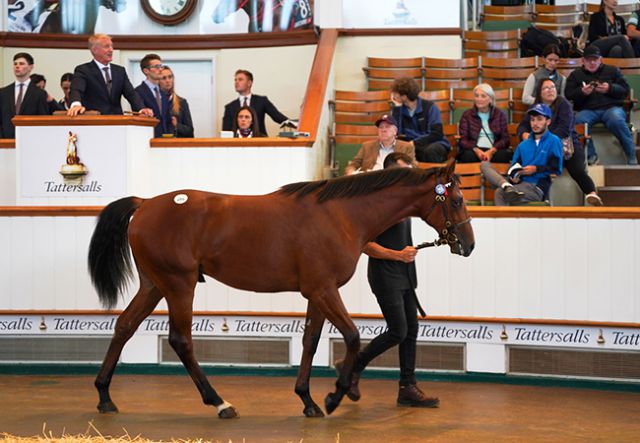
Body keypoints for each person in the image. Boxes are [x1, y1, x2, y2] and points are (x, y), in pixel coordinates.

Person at [336, 151, 440, 408]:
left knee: (411, 331)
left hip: (405, 272)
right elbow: (365, 244)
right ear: (392, 173)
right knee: (398, 330)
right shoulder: (375, 204)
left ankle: (408, 387)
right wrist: (397, 255)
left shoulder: (404, 202)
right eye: (405, 171)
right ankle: (352, 364)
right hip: (385, 274)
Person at [518, 78, 603, 206]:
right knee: (537, 166)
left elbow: (564, 129)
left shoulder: (563, 104)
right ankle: (537, 200)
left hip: (567, 147)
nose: (550, 90)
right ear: (539, 92)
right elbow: (522, 126)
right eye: (546, 88)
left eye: (552, 87)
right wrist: (524, 134)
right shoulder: (535, 107)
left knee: (577, 169)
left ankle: (591, 193)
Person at [565, 45, 638, 165]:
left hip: (611, 108)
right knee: (576, 121)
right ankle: (591, 155)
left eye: (595, 59)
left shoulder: (612, 70)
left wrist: (610, 88)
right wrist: (582, 92)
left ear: (601, 59)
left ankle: (631, 154)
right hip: (588, 110)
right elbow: (569, 94)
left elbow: (625, 89)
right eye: (589, 59)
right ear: (583, 61)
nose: (592, 62)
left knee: (617, 120)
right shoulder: (576, 75)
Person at [481, 104, 563, 206]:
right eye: (532, 120)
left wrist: (536, 169)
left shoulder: (554, 141)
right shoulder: (523, 145)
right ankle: (506, 185)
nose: (535, 123)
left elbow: (556, 169)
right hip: (518, 184)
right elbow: (514, 167)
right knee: (484, 164)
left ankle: (506, 188)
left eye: (539, 119)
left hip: (536, 186)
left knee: (500, 193)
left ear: (548, 121)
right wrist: (514, 176)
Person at [68, 34, 151, 117]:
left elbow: (131, 94)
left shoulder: (119, 71)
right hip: (94, 121)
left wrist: (141, 109)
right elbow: (76, 90)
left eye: (112, 46)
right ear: (94, 50)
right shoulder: (83, 70)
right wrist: (76, 104)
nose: (111, 50)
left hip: (117, 121)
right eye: (106, 46)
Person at [390, 77, 450, 163]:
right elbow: (396, 132)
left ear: (404, 96)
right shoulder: (399, 110)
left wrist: (414, 143)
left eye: (395, 93)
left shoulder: (430, 107)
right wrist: (397, 109)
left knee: (430, 151)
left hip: (434, 143)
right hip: (412, 145)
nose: (393, 96)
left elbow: (436, 134)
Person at [221, 69, 292, 136]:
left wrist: (297, 124)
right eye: (235, 80)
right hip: (237, 144)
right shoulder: (229, 107)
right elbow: (226, 132)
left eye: (240, 79)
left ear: (249, 83)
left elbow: (278, 117)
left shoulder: (262, 101)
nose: (236, 82)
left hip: (260, 142)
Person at [344, 114, 416, 175]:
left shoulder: (407, 147)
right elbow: (353, 165)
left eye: (387, 127)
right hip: (371, 180)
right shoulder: (367, 146)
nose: (383, 130)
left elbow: (413, 167)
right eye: (381, 127)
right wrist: (351, 172)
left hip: (394, 181)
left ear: (395, 131)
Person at [457, 83, 511, 164]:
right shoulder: (467, 115)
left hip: (494, 149)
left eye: (483, 96)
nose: (479, 99)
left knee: (503, 156)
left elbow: (505, 139)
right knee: (467, 156)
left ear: (490, 99)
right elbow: (463, 140)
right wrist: (476, 150)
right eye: (476, 96)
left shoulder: (499, 114)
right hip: (474, 149)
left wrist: (491, 151)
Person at [0, 52, 48, 138]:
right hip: (6, 141)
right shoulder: (4, 92)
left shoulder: (39, 94)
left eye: (21, 64)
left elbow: (42, 120)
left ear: (31, 67)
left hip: (30, 139)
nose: (17, 66)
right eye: (15, 64)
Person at [134, 53, 173, 138]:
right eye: (156, 67)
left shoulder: (163, 92)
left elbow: (167, 120)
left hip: (164, 141)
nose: (160, 70)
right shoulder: (138, 92)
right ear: (146, 71)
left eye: (161, 66)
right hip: (147, 138)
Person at [159, 66, 194, 138]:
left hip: (177, 145)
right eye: (164, 78)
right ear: (158, 81)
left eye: (170, 77)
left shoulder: (182, 102)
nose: (168, 80)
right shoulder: (154, 102)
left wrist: (176, 125)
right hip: (158, 144)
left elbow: (190, 130)